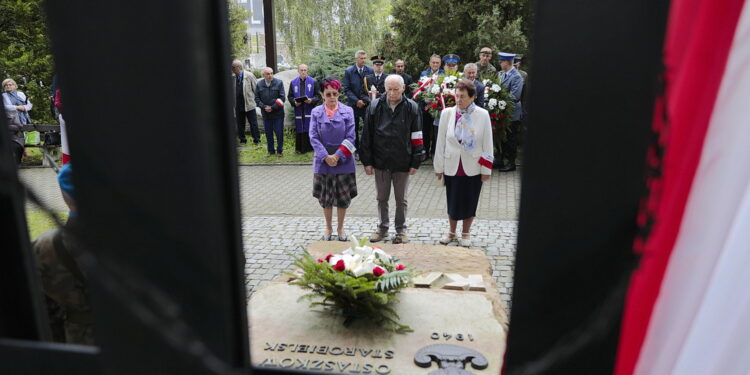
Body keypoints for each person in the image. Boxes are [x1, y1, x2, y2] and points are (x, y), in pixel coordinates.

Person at [32, 163, 95, 345]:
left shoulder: (45, 246)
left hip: (81, 344)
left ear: (65, 197)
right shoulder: (142, 241)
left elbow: (43, 312)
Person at [360, 75, 424, 244]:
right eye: (390, 89)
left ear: (403, 88)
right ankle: (382, 227)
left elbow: (417, 136)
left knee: (401, 199)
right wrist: (367, 161)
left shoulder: (412, 107)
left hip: (403, 160)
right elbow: (367, 135)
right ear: (385, 89)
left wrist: (416, 160)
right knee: (382, 197)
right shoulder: (375, 106)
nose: (393, 93)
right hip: (381, 160)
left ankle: (401, 230)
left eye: (396, 89)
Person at [433, 80, 493, 247]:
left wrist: (486, 168)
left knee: (470, 199)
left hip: (473, 164)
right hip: (452, 163)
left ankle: (466, 232)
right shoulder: (447, 113)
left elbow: (487, 142)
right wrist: (438, 166)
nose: (459, 100)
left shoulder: (482, 114)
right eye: (457, 96)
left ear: (473, 97)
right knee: (452, 199)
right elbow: (441, 142)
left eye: (463, 97)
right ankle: (451, 232)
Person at [309, 77, 357, 241]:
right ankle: (328, 229)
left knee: (342, 198)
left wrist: (337, 156)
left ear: (338, 94)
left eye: (334, 93)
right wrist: (326, 156)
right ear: (322, 94)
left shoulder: (348, 111)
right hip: (323, 162)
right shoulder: (316, 112)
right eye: (328, 93)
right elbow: (313, 137)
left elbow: (351, 137)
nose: (331, 97)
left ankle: (341, 228)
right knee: (326, 198)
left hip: (343, 160)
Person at [343, 50, 374, 154]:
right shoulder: (349, 71)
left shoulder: (370, 70)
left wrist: (366, 100)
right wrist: (357, 101)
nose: (363, 60)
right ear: (356, 59)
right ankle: (355, 151)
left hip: (366, 105)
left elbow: (371, 87)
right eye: (361, 58)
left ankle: (366, 150)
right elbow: (346, 89)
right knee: (353, 129)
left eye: (365, 58)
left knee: (368, 128)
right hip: (353, 105)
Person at [497, 52, 524, 172]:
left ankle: (511, 162)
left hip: (512, 113)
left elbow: (515, 96)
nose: (500, 63)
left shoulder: (516, 76)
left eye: (501, 61)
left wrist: (498, 99)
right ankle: (500, 160)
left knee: (511, 138)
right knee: (503, 137)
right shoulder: (502, 74)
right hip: (503, 111)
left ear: (507, 62)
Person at [288, 64, 321, 154]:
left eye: (305, 70)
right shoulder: (293, 82)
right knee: (299, 127)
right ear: (298, 71)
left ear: (307, 71)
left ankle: (309, 148)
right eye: (301, 70)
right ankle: (299, 149)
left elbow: (318, 96)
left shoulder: (313, 81)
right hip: (299, 109)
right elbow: (290, 96)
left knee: (309, 127)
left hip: (309, 108)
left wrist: (312, 100)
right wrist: (294, 103)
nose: (303, 72)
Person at [255, 67, 286, 157]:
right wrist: (264, 107)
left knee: (279, 133)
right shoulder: (259, 84)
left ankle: (279, 151)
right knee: (268, 133)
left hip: (277, 114)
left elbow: (282, 98)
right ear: (263, 75)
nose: (270, 75)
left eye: (271, 73)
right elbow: (256, 98)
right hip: (266, 114)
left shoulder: (279, 83)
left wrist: (273, 107)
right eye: (268, 74)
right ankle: (270, 150)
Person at [419, 55, 444, 158]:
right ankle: (425, 151)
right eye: (433, 62)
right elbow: (419, 88)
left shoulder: (444, 74)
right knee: (425, 128)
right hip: (425, 106)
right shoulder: (424, 74)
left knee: (436, 129)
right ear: (429, 63)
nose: (435, 64)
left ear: (440, 64)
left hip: (438, 106)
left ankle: (434, 151)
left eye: (437, 63)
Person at [232, 60, 261, 145]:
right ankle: (242, 140)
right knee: (240, 123)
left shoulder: (249, 76)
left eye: (233, 68)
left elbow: (256, 89)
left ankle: (257, 140)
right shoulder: (233, 77)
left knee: (253, 123)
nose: (232, 69)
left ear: (238, 67)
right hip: (238, 104)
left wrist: (257, 102)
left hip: (249, 104)